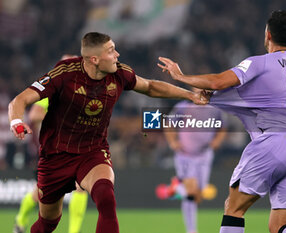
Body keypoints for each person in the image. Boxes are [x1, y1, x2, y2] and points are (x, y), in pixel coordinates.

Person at [158, 10, 286, 233]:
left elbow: (218, 82)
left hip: (274, 142)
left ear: (268, 35)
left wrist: (181, 76)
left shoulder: (259, 63)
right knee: (280, 226)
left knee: (234, 209)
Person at [8, 32, 208, 233]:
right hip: (56, 156)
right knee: (48, 223)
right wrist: (16, 122)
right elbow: (19, 101)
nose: (117, 55)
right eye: (111, 51)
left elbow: (150, 86)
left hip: (92, 152)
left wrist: (190, 95)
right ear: (94, 59)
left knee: (105, 197)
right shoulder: (63, 74)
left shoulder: (119, 74)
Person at [13, 98, 88, 233]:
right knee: (40, 194)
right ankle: (20, 220)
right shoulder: (52, 93)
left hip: (71, 152)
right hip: (49, 154)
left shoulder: (78, 95)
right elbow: (34, 116)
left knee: (80, 187)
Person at [163, 95, 226, 233]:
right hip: (185, 155)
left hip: (204, 155)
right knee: (189, 194)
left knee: (199, 193)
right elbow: (168, 123)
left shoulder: (214, 109)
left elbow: (222, 128)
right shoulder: (182, 107)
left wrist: (217, 142)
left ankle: (176, 188)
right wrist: (173, 142)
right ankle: (191, 230)